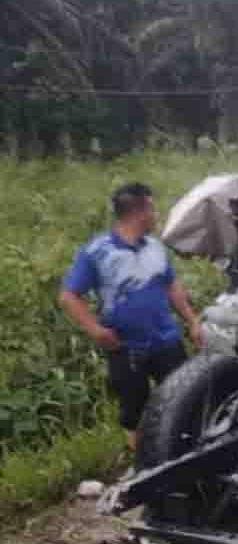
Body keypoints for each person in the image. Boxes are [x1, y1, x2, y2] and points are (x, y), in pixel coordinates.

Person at [59, 183, 201, 452]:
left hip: (167, 343)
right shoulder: (98, 251)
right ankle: (144, 467)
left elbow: (172, 286)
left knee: (185, 399)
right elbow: (69, 296)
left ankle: (184, 457)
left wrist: (192, 321)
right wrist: (96, 331)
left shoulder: (156, 248)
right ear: (141, 211)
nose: (156, 215)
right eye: (153, 208)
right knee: (134, 412)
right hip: (125, 348)